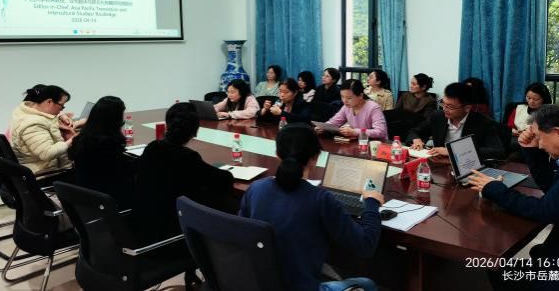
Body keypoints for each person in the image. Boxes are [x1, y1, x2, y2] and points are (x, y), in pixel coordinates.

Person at [239, 123, 383, 291]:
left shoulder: (256, 188)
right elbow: (365, 245)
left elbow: (242, 232)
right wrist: (371, 202)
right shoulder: (320, 199)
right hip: (302, 286)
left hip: (258, 281)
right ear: (315, 157)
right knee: (367, 284)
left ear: (277, 154)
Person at [469, 106, 559, 291]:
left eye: (539, 137)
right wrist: (532, 151)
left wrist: (494, 189)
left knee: (490, 269)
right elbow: (553, 190)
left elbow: (546, 211)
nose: (540, 145)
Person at [133, 102, 234, 245]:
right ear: (195, 130)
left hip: (143, 228)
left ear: (167, 125)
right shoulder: (187, 158)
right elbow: (223, 181)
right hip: (170, 235)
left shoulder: (152, 148)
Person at [67, 96, 136, 209]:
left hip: (89, 197)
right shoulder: (107, 144)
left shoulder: (81, 139)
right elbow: (125, 170)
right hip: (110, 200)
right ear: (115, 119)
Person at [407, 82, 505, 160]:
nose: (444, 109)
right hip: (439, 163)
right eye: (443, 103)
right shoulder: (438, 116)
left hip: (467, 167)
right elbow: (414, 131)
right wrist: (416, 139)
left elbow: (497, 152)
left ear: (467, 108)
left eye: (450, 106)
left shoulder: (483, 123)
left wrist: (452, 151)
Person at [10, 84, 76, 174]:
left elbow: (47, 117)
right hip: (45, 171)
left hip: (39, 165)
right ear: (49, 102)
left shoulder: (24, 110)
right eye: (62, 106)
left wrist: (62, 116)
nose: (62, 109)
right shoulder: (33, 124)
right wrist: (74, 139)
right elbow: (47, 153)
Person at [317, 79, 388, 140]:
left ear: (360, 96)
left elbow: (380, 132)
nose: (344, 101)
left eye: (349, 98)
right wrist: (322, 127)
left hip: (376, 145)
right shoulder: (346, 107)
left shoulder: (373, 108)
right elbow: (334, 122)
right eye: (342, 97)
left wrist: (354, 132)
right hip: (358, 142)